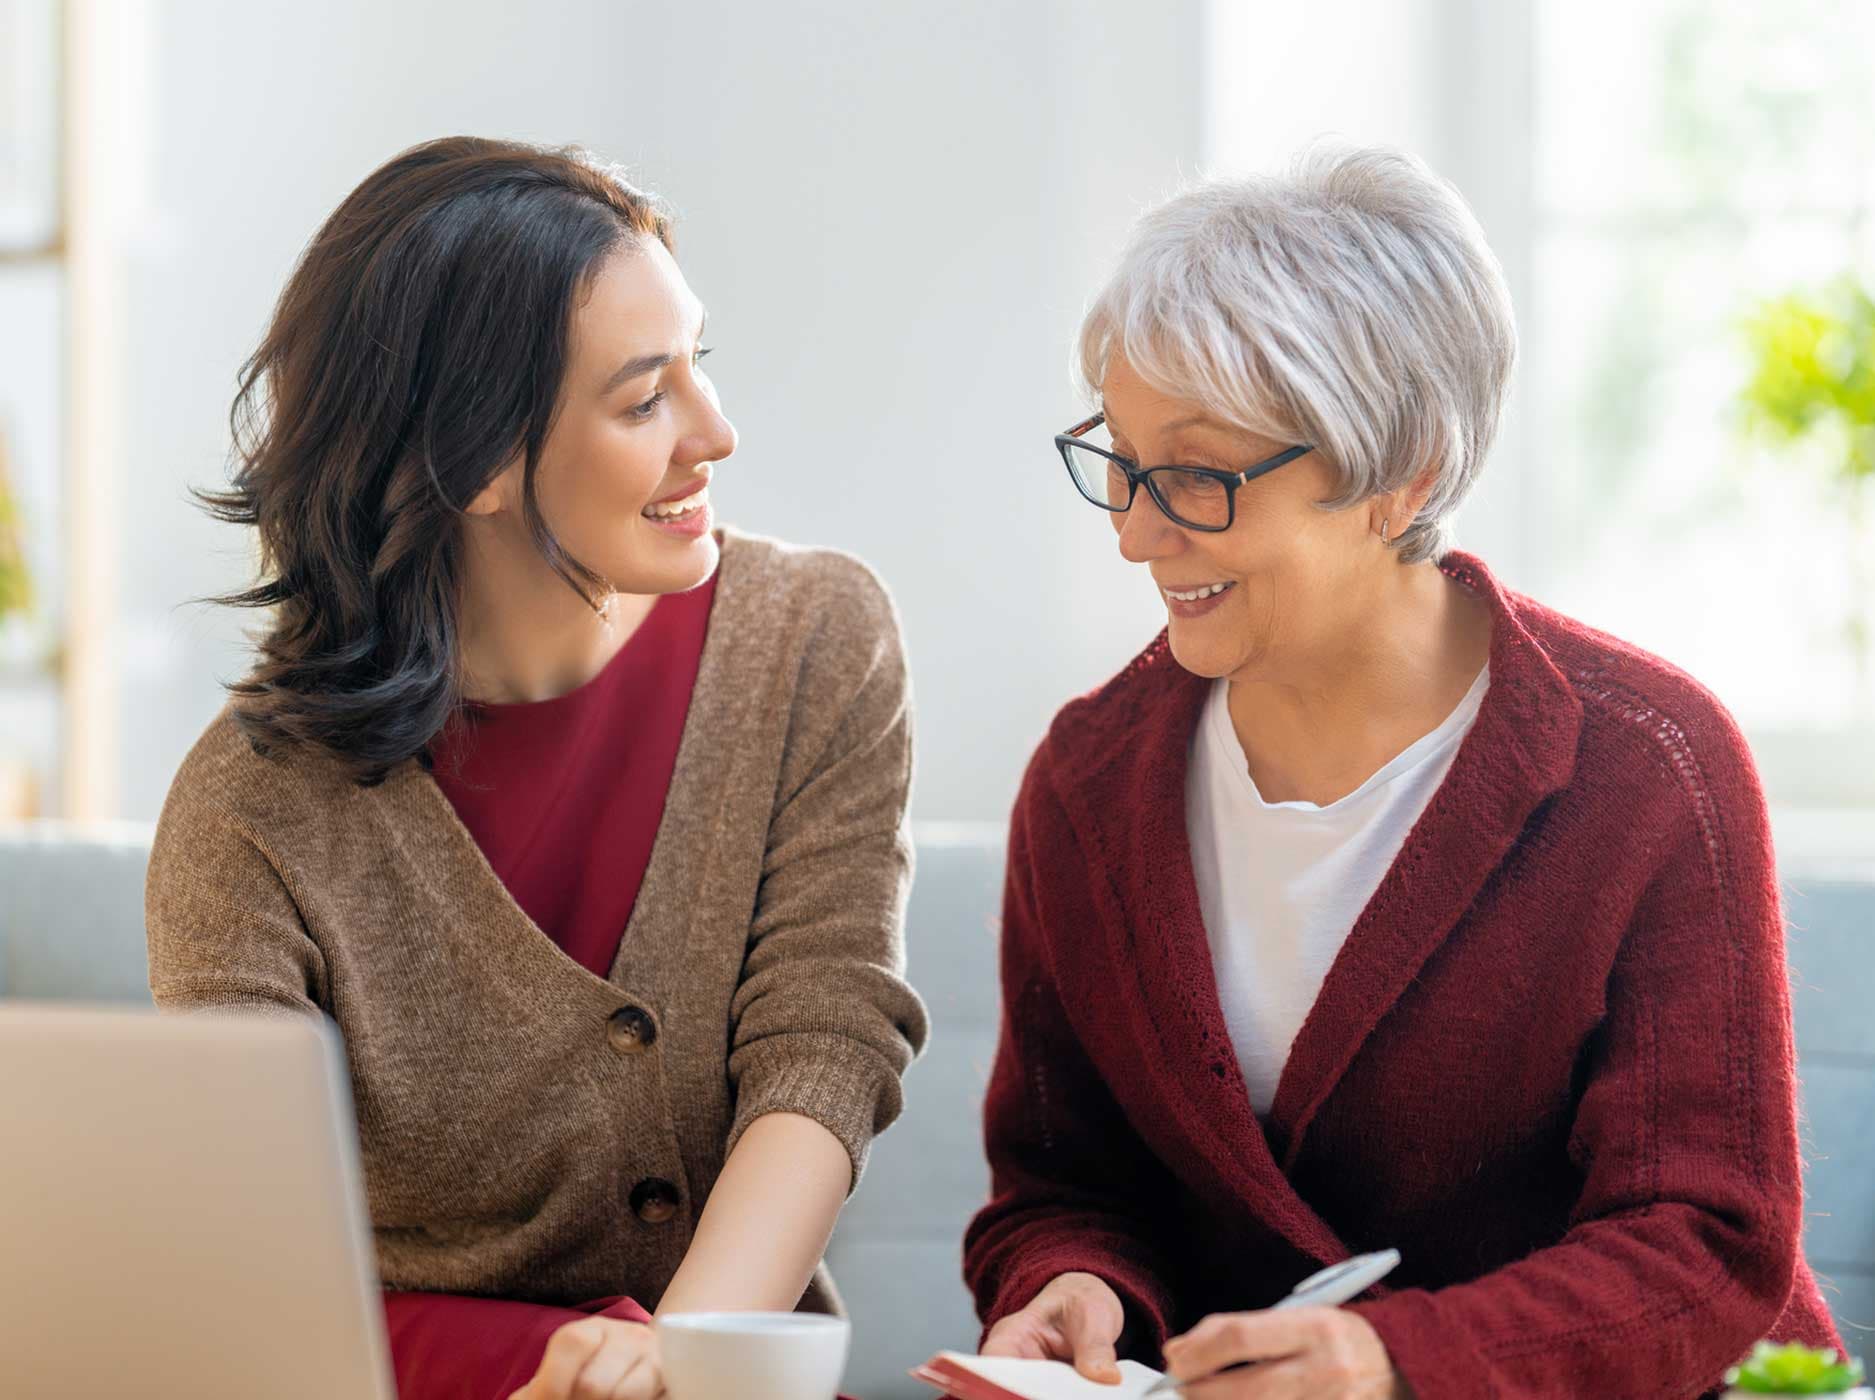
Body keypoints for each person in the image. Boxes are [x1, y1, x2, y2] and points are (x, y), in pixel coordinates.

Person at [965, 143, 1842, 1398]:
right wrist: (1072, 1285)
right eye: (1121, 457)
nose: (1132, 531)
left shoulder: (1651, 765)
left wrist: (1394, 1362)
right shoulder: (1088, 781)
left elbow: (1707, 1246)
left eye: (1200, 476)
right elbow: (1064, 1185)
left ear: (1404, 475)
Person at [145, 136, 927, 1400]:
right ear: (474, 462)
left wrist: (679, 1357)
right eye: (641, 399)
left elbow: (826, 1041)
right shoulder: (248, 811)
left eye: (699, 365)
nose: (714, 434)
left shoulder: (816, 642)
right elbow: (257, 1269)